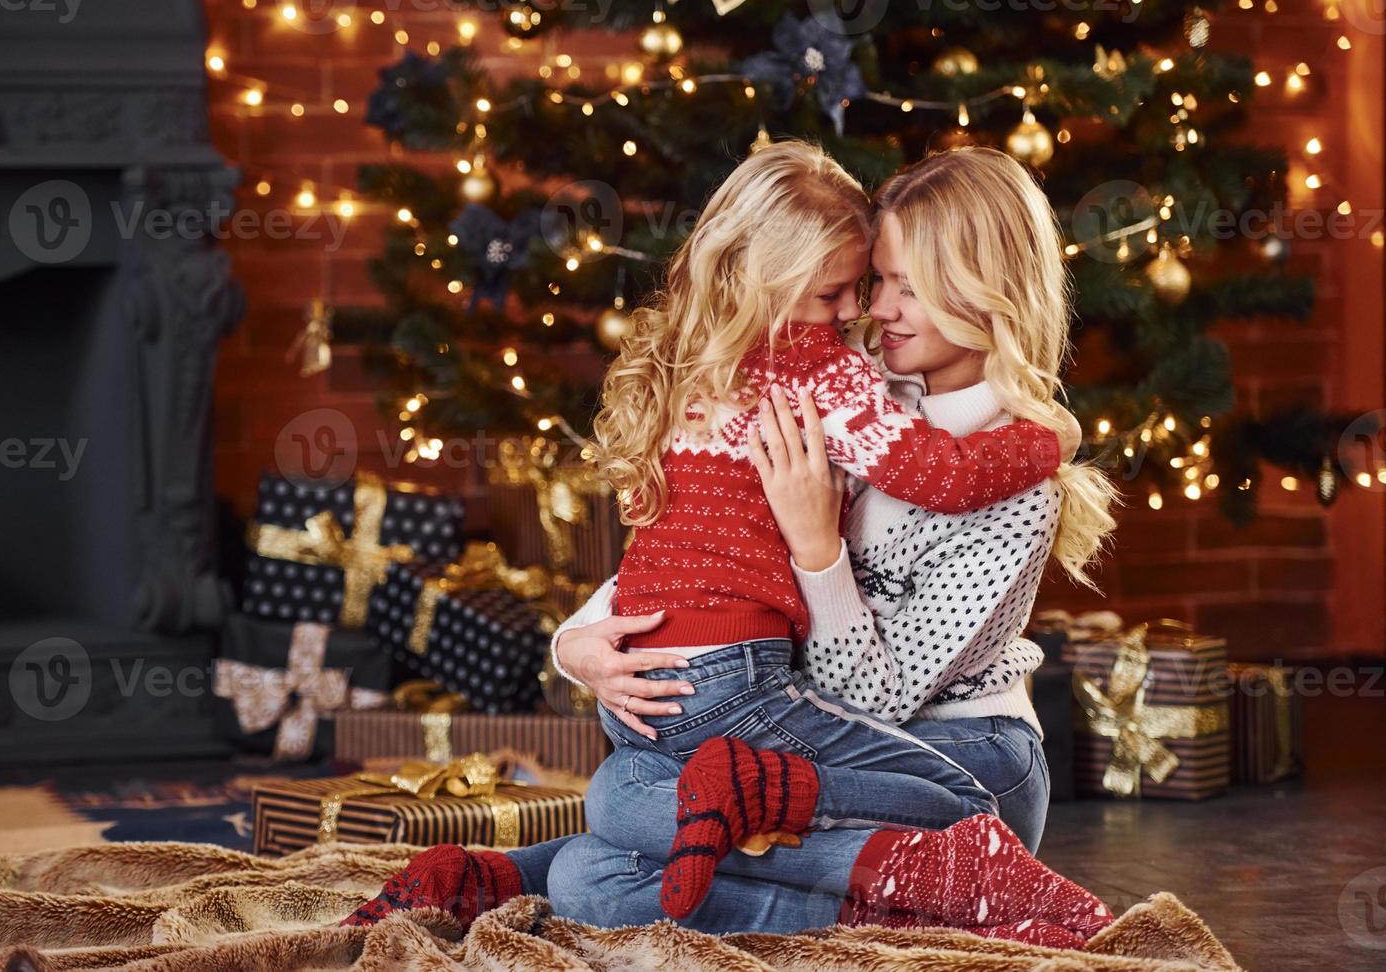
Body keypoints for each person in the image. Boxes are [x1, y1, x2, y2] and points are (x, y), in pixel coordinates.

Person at [346, 144, 1114, 945]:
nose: (872, 309)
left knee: (616, 842)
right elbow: (690, 541)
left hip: (957, 753)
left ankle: (537, 872)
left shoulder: (1013, 482)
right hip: (780, 721)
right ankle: (506, 875)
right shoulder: (844, 380)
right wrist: (579, 644)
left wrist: (818, 548)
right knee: (610, 810)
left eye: (904, 288)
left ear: (986, 296)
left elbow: (878, 702)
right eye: (872, 280)